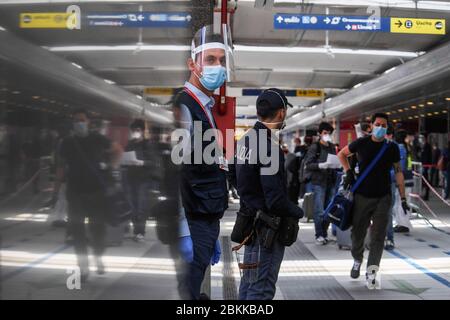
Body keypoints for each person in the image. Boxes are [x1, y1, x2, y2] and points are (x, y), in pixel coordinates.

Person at [174, 25, 232, 300]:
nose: (217, 67)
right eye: (210, 60)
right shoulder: (185, 107)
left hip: (205, 217)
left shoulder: (203, 107)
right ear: (192, 64)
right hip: (194, 220)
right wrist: (184, 230)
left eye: (222, 60)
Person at [235, 88, 304, 300]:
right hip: (266, 231)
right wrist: (297, 211)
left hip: (249, 224)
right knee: (261, 289)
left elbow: (233, 177)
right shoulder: (269, 147)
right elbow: (275, 200)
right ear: (281, 113)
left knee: (248, 285)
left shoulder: (245, 140)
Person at [338, 113, 409, 289]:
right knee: (358, 234)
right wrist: (348, 172)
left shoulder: (391, 148)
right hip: (362, 196)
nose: (380, 128)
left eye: (384, 125)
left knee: (378, 236)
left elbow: (398, 172)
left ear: (387, 128)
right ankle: (357, 258)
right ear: (371, 126)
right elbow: (342, 154)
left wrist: (403, 197)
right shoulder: (361, 143)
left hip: (383, 197)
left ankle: (372, 271)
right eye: (378, 124)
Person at [53, 109, 123, 282]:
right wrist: (55, 191)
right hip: (75, 193)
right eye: (76, 120)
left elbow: (118, 150)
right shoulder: (67, 142)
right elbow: (61, 168)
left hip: (96, 193)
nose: (79, 123)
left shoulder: (97, 138)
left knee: (97, 229)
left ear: (88, 122)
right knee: (77, 231)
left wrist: (112, 167)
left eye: (82, 120)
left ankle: (98, 255)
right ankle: (83, 266)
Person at [122, 119, 161, 242]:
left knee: (141, 206)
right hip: (130, 177)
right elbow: (124, 157)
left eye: (137, 130)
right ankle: (136, 231)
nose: (135, 132)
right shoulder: (130, 144)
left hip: (143, 180)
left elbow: (154, 163)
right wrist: (126, 161)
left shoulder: (148, 145)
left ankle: (140, 232)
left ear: (143, 131)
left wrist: (142, 162)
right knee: (132, 205)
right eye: (133, 130)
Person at [303, 122, 340, 245]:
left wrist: (336, 165)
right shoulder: (315, 147)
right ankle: (319, 235)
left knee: (329, 209)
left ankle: (324, 233)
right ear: (320, 133)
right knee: (319, 210)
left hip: (330, 181)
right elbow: (308, 164)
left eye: (329, 133)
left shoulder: (331, 146)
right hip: (318, 182)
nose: (327, 135)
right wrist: (320, 165)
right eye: (325, 133)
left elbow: (335, 160)